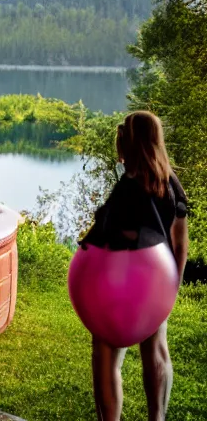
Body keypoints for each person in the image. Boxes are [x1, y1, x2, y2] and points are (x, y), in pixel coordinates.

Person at [79, 111, 189, 421]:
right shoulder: (171, 182)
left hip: (121, 286)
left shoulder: (128, 186)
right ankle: (157, 417)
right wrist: (172, 287)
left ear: (131, 139)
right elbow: (180, 243)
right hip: (156, 285)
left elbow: (111, 236)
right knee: (155, 349)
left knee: (105, 355)